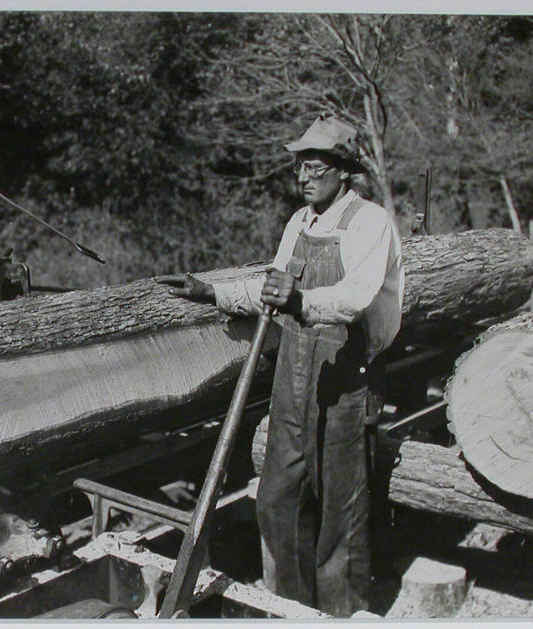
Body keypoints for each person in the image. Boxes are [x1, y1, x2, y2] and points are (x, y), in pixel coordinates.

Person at [157, 113, 403, 617]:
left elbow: (355, 298)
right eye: (299, 168)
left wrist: (300, 301)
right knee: (278, 499)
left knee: (342, 513)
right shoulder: (299, 222)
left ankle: (340, 614)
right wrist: (215, 292)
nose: (303, 177)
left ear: (342, 171)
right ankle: (289, 609)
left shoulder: (370, 222)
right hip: (294, 376)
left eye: (314, 167)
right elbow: (274, 289)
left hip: (347, 377)